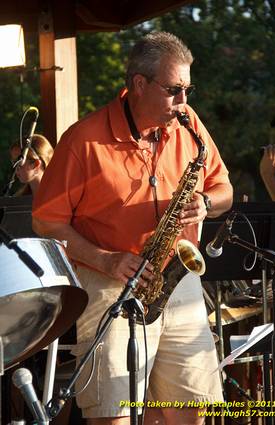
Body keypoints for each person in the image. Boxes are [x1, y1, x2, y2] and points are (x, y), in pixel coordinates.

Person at [32, 31, 233, 425]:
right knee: (115, 415)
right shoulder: (83, 140)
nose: (184, 102)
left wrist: (207, 205)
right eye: (175, 89)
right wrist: (104, 259)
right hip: (110, 282)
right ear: (139, 84)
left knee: (195, 412)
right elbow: (45, 221)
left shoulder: (188, 124)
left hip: (177, 279)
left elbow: (223, 187)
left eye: (188, 89)